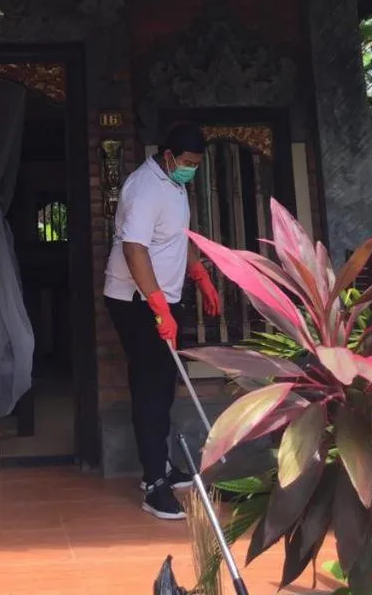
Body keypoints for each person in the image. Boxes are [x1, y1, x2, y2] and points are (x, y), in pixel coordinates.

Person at [104, 123, 222, 519]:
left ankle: (164, 467)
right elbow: (134, 248)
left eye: (196, 165)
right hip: (135, 301)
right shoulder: (144, 188)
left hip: (163, 298)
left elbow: (177, 237)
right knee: (151, 388)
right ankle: (154, 483)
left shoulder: (174, 183)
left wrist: (199, 275)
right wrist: (157, 306)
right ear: (168, 155)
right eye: (188, 163)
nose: (192, 170)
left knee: (163, 384)